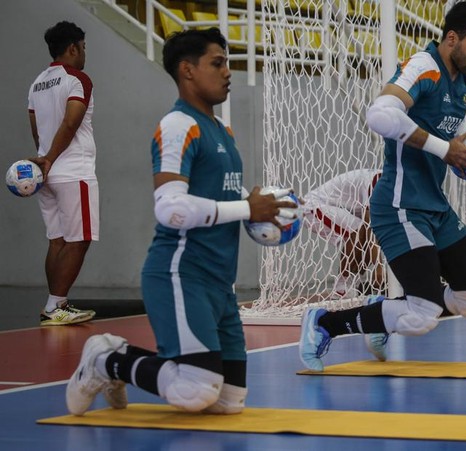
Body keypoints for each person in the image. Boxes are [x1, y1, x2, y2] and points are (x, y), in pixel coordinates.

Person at [64, 28, 297, 416]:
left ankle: (119, 359)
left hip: (219, 283)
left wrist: (264, 209)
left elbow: (218, 197)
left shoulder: (221, 130)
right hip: (180, 274)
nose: (228, 72)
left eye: (228, 63)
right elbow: (170, 208)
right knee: (196, 391)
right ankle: (105, 360)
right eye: (217, 63)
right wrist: (246, 209)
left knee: (228, 401)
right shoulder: (177, 125)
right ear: (187, 70)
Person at [299, 2, 466, 371]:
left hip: (436, 205)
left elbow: (443, 133)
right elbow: (379, 114)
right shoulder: (423, 67)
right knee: (421, 316)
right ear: (451, 38)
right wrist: (445, 149)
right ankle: (325, 323)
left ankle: (385, 312)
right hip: (400, 205)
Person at [27, 21, 98, 326]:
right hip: (72, 171)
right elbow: (70, 123)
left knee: (57, 241)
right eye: (83, 47)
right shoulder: (78, 79)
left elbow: (36, 129)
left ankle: (54, 304)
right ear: (72, 48)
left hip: (45, 173)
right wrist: (51, 159)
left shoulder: (37, 83)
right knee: (79, 240)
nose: (84, 53)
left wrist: (44, 160)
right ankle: (56, 305)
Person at [302, 168, 384, 298]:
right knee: (357, 230)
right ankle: (342, 286)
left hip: (340, 208)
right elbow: (370, 227)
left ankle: (357, 281)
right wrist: (378, 266)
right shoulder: (378, 181)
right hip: (314, 206)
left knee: (365, 237)